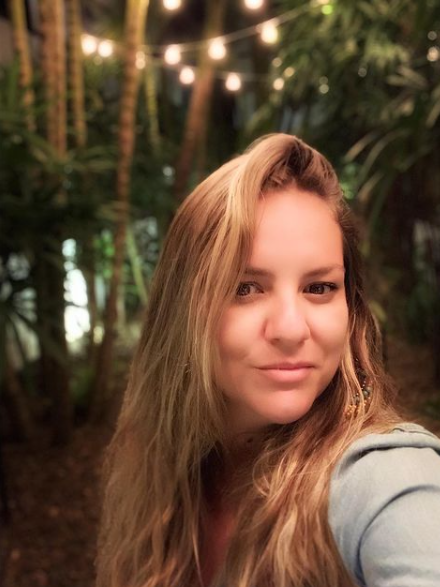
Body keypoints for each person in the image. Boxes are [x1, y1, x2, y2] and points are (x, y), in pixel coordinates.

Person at [96, 134, 440, 587]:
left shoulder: (384, 475)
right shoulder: (164, 486)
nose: (291, 329)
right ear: (183, 313)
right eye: (245, 288)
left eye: (319, 288)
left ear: (351, 309)